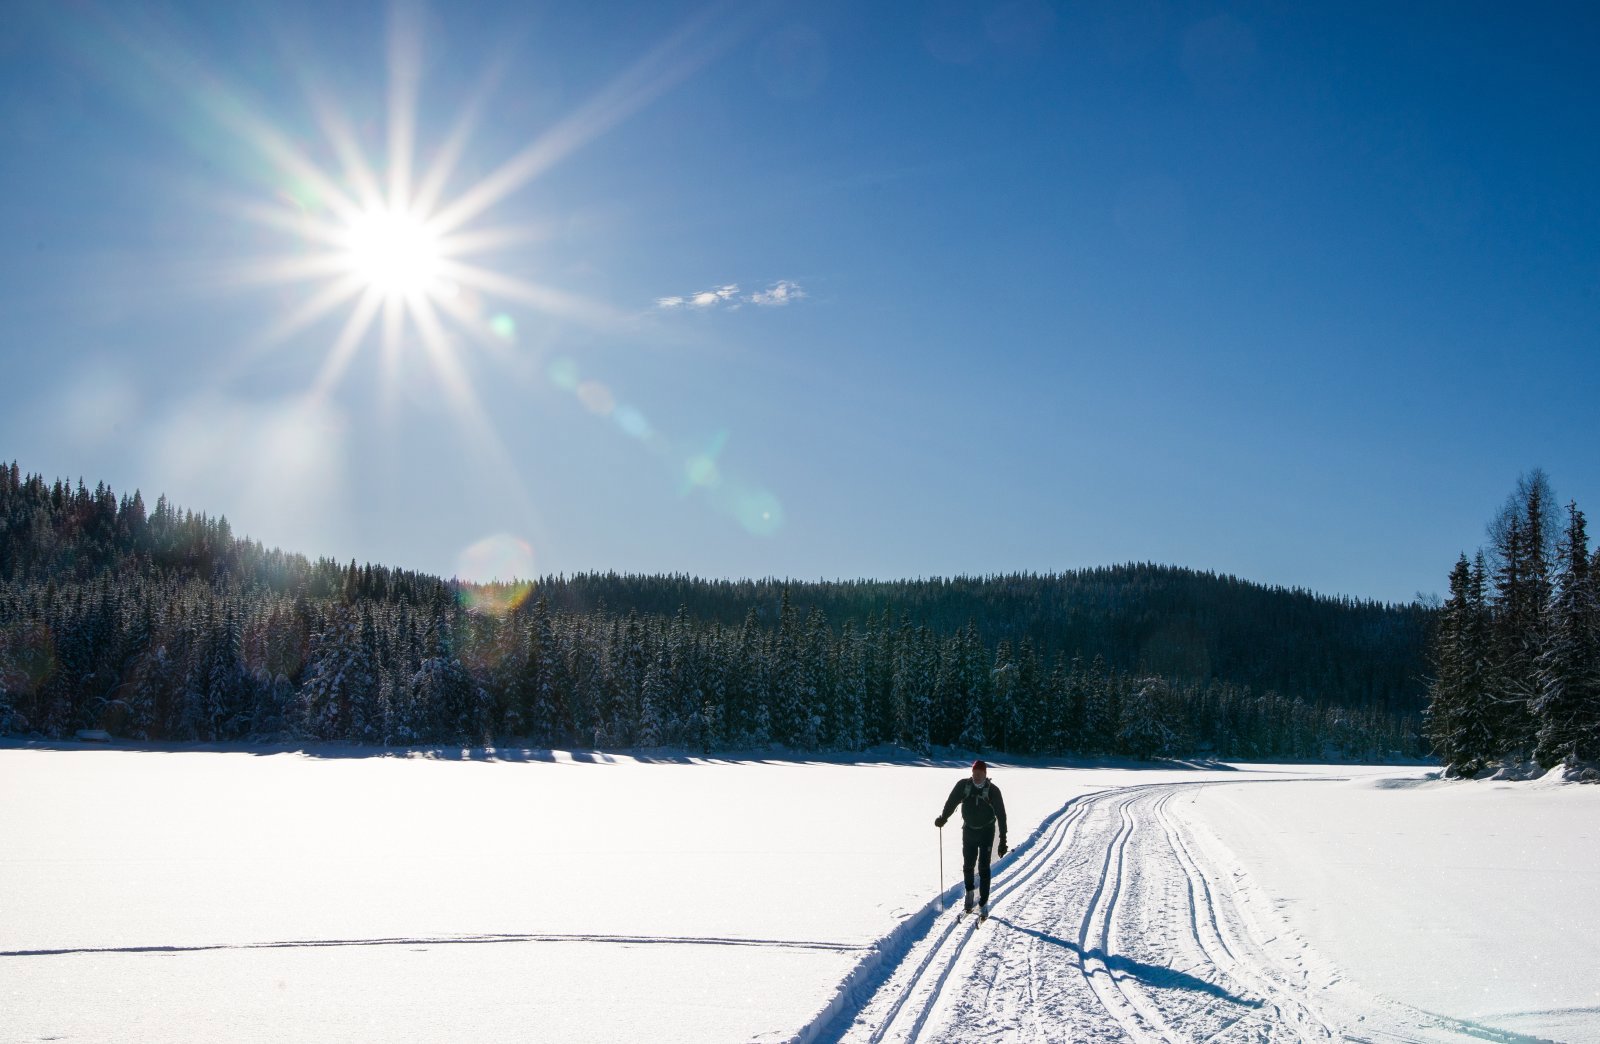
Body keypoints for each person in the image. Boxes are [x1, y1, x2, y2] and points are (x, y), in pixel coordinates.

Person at [934, 759, 1008, 916]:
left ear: (985, 774)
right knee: (968, 865)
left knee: (983, 867)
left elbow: (1001, 816)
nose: (977, 776)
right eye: (974, 773)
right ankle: (969, 892)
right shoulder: (963, 786)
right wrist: (943, 818)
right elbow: (951, 802)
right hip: (968, 831)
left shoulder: (993, 791)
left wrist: (1003, 840)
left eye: (980, 774)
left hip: (987, 832)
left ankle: (983, 903)